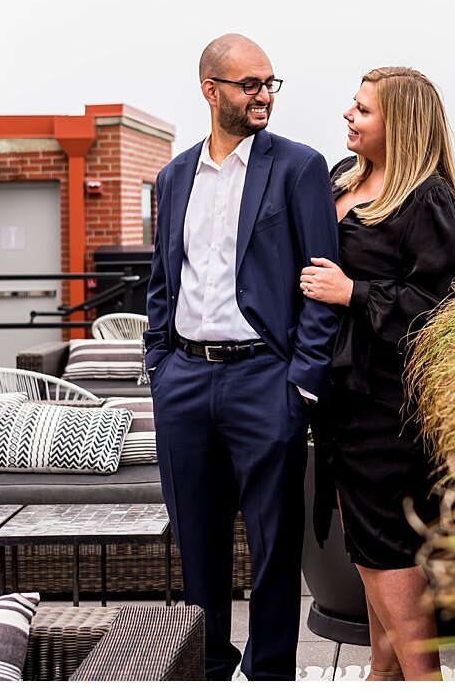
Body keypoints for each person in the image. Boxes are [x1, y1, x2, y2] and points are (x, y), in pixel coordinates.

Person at [144, 33, 340, 681]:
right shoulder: (173, 178)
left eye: (270, 84)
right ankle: (207, 667)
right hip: (185, 381)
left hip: (265, 380)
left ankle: (270, 673)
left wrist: (300, 385)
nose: (264, 96)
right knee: (196, 547)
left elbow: (322, 280)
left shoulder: (298, 166)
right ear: (211, 90)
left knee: (273, 547)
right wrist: (159, 367)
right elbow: (162, 282)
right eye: (250, 84)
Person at [298, 66, 455, 682]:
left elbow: (443, 305)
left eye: (363, 109)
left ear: (398, 123)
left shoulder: (428, 199)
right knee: (365, 542)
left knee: (387, 545)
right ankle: (382, 671)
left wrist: (352, 291)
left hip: (387, 401)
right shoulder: (347, 179)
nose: (348, 115)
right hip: (340, 395)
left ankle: (421, 678)